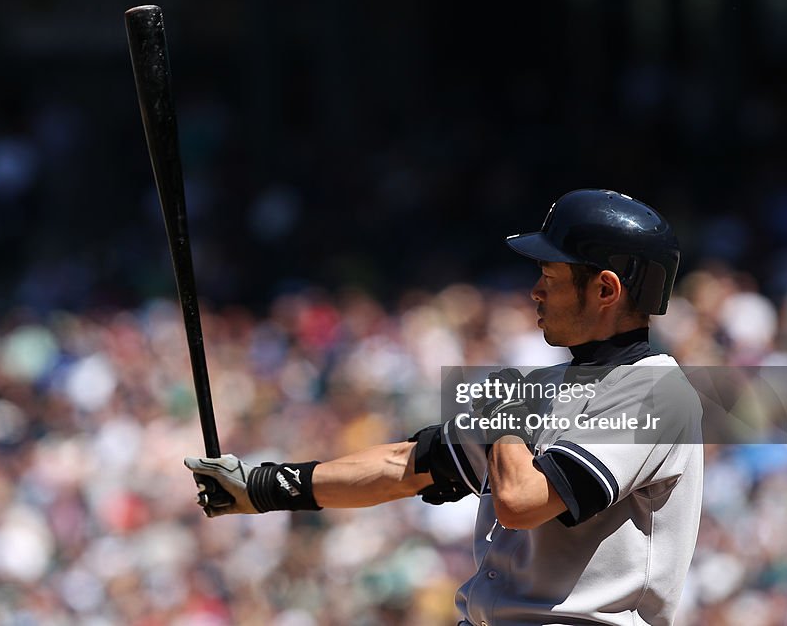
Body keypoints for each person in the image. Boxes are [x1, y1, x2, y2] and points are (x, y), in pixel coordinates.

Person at [185, 189, 703, 626]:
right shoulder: (541, 386)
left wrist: (510, 419)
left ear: (606, 288)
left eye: (552, 273)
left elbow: (522, 502)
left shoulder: (657, 392)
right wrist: (264, 487)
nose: (535, 290)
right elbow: (407, 468)